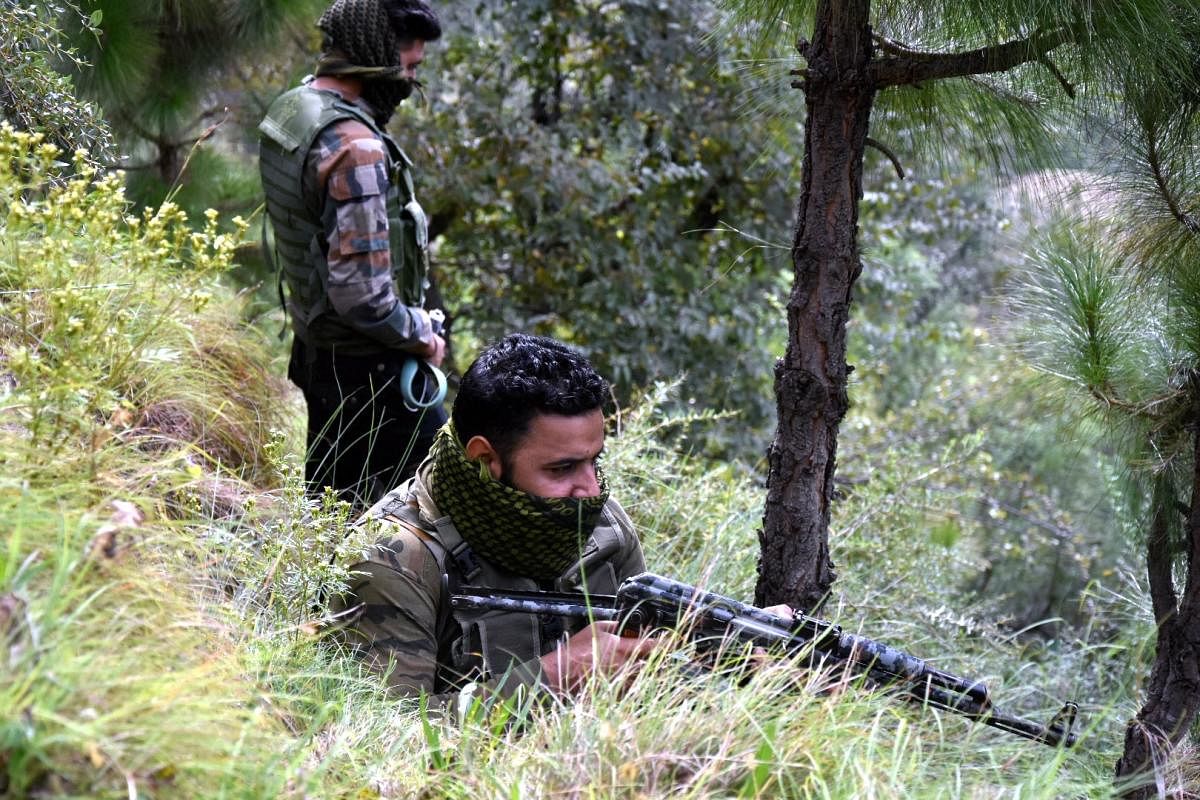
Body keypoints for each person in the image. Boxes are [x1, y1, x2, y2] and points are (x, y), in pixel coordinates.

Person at [331, 334, 657, 705]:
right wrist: (551, 677)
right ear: (486, 460)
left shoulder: (602, 525)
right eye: (562, 468)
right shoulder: (393, 559)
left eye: (594, 461)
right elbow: (382, 735)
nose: (590, 489)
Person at [259, 0, 447, 508]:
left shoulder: (297, 107)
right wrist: (423, 335)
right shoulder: (354, 145)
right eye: (409, 68)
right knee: (434, 505)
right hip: (370, 374)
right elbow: (362, 296)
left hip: (320, 352)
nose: (410, 84)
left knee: (332, 514)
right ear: (376, 56)